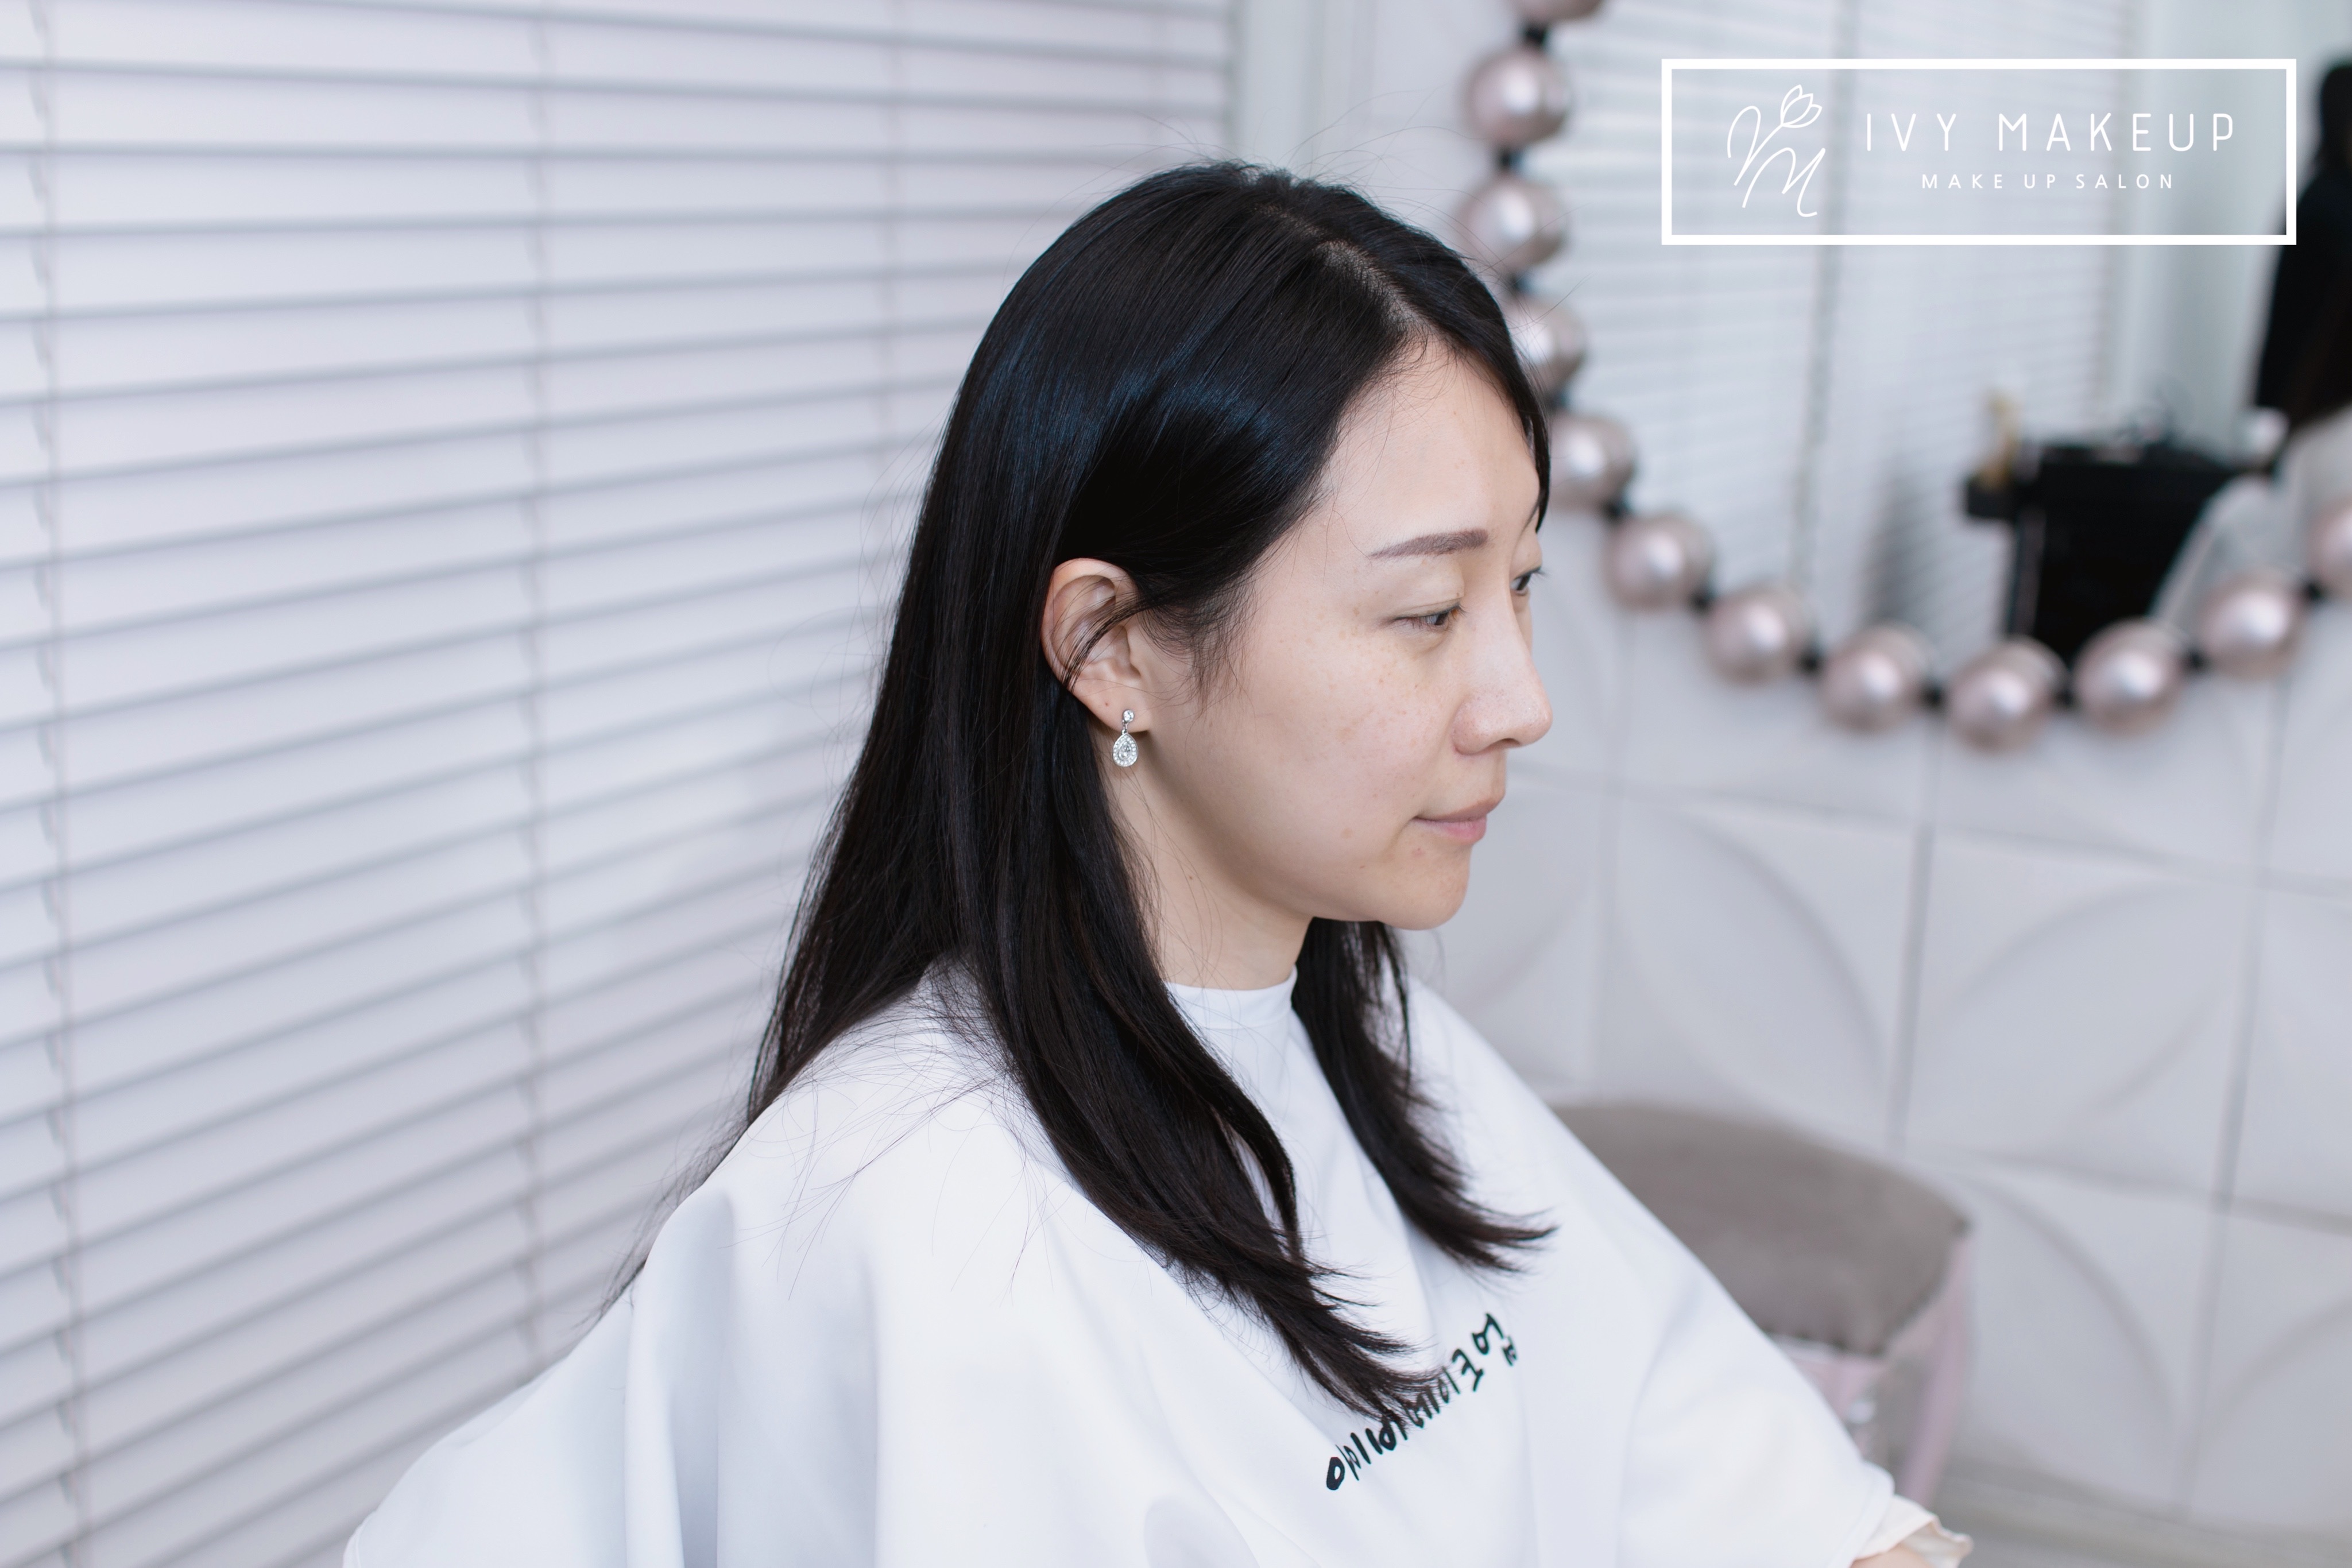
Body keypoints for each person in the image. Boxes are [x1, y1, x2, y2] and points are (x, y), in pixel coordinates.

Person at [346, 164, 1963, 1567]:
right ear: (1113, 648)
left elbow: (1728, 1460)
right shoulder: (928, 1227)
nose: (1521, 700)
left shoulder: (1358, 1030)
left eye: (1521, 585)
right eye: (1426, 612)